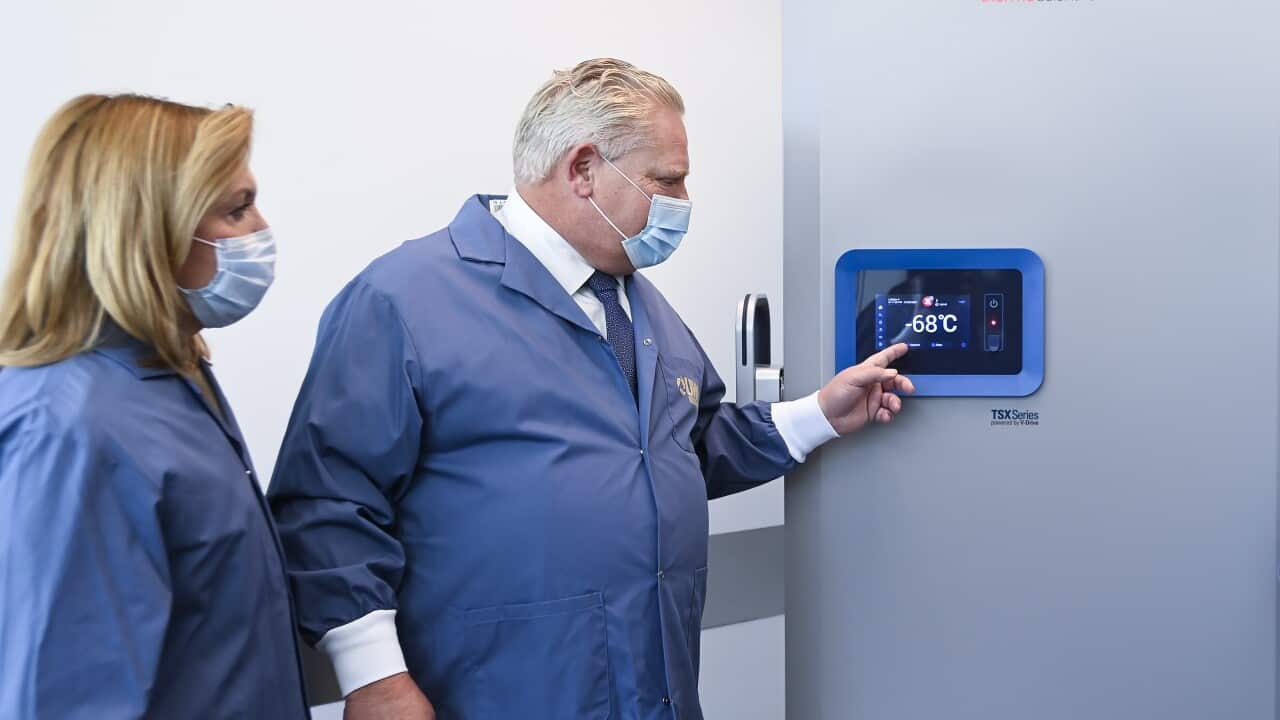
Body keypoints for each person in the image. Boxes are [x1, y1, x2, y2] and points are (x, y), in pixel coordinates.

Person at [269, 58, 912, 720]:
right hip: (499, 694)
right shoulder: (406, 300)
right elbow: (326, 500)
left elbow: (682, 449)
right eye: (667, 180)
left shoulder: (642, 305)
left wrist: (818, 416)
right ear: (582, 170)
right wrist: (373, 678)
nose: (683, 202)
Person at [0, 94, 308, 719]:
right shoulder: (72, 428)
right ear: (148, 229)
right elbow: (63, 697)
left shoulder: (167, 378)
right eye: (236, 209)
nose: (260, 231)